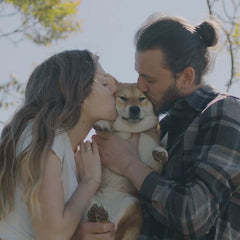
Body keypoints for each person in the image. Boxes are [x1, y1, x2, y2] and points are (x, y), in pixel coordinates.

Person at [93, 14, 240, 239]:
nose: (140, 86)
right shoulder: (166, 127)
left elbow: (194, 214)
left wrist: (128, 164)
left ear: (186, 77)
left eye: (149, 80)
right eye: (138, 75)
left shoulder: (225, 111)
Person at [0, 49, 116, 240]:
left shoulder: (65, 150)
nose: (114, 89)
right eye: (104, 83)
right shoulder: (42, 134)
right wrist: (89, 182)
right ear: (79, 93)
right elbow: (53, 235)